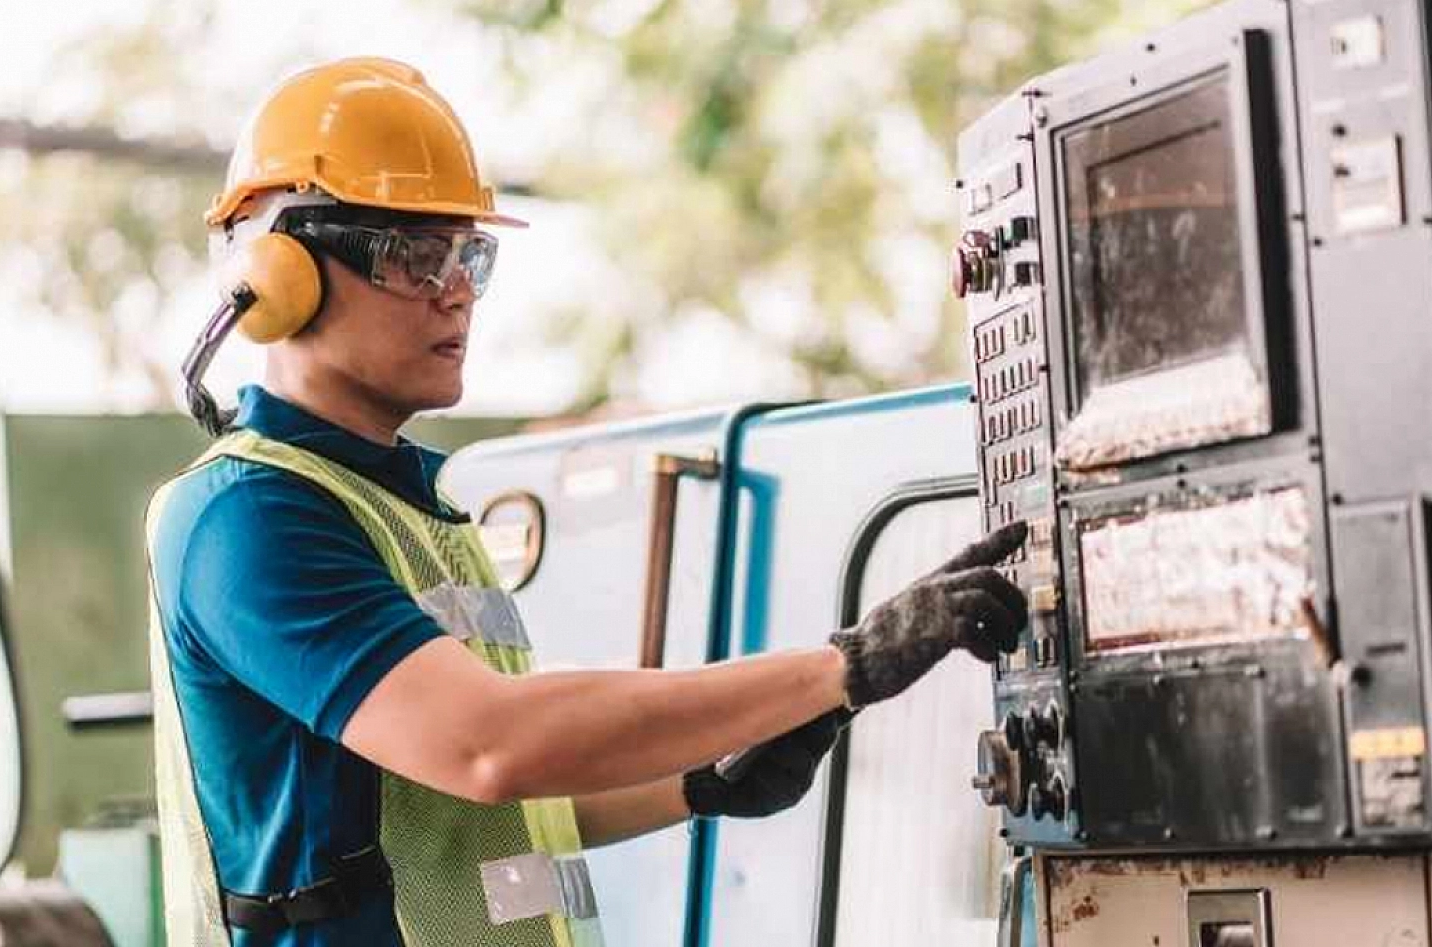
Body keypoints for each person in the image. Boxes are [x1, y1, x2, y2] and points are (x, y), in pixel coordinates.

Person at [147, 56, 1029, 947]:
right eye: (413, 255)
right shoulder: (248, 518)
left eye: (468, 256)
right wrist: (841, 666)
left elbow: (481, 820)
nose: (455, 291)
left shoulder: (417, 508)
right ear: (279, 273)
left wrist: (698, 783)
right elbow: (489, 744)